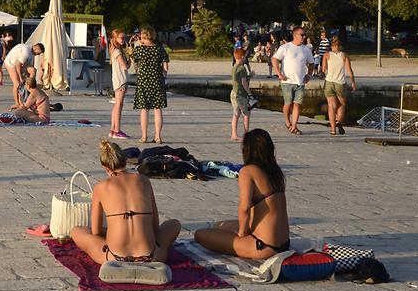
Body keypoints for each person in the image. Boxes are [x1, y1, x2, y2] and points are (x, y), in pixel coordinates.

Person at [71, 139, 181, 264]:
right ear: (125, 161)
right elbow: (155, 225)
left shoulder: (101, 187)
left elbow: (96, 232)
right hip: (151, 256)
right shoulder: (144, 180)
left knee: (77, 231)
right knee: (174, 224)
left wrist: (113, 229)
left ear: (105, 167)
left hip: (113, 258)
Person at [194, 129, 290, 259]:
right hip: (284, 243)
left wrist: (242, 233)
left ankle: (243, 241)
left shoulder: (248, 171)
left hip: (263, 246)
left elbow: (244, 207)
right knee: (219, 226)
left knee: (200, 235)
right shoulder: (276, 172)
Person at [271, 26, 314, 135]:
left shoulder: (306, 49)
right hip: (287, 81)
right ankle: (287, 121)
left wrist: (309, 75)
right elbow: (274, 59)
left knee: (297, 104)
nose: (304, 37)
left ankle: (294, 126)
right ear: (295, 35)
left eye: (304, 35)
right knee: (288, 104)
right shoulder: (286, 47)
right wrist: (279, 74)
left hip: (300, 81)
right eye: (302, 35)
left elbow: (311, 63)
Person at [131, 26, 169, 144]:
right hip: (157, 81)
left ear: (142, 36)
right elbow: (166, 68)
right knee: (158, 109)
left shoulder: (138, 50)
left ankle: (144, 136)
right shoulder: (160, 49)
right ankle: (158, 136)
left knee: (144, 109)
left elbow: (135, 65)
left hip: (143, 81)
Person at [322, 36, 357, 136]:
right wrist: (353, 83)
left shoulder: (327, 55)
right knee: (341, 104)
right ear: (340, 46)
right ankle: (339, 122)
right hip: (340, 83)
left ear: (331, 46)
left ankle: (333, 130)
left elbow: (324, 70)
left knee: (331, 106)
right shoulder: (344, 56)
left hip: (329, 82)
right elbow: (349, 71)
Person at [4, 42, 45, 108]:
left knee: (33, 70)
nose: (38, 55)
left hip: (19, 65)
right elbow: (18, 64)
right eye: (38, 53)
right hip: (11, 63)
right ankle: (17, 103)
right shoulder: (26, 52)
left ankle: (29, 88)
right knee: (17, 83)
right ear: (36, 48)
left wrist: (29, 81)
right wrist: (21, 77)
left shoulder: (32, 55)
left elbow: (30, 67)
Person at [108, 28, 131, 139]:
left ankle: (113, 129)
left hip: (119, 79)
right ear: (115, 38)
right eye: (121, 37)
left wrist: (129, 57)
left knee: (117, 104)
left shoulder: (116, 50)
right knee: (119, 105)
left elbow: (127, 66)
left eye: (124, 37)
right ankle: (117, 130)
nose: (123, 39)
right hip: (120, 80)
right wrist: (130, 56)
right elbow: (125, 66)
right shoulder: (117, 51)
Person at [230, 48, 254, 142]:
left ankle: (234, 134)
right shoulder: (242, 68)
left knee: (236, 114)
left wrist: (249, 76)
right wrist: (250, 94)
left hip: (234, 93)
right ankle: (246, 134)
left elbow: (239, 80)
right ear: (243, 57)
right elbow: (244, 83)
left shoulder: (235, 67)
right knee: (246, 114)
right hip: (241, 94)